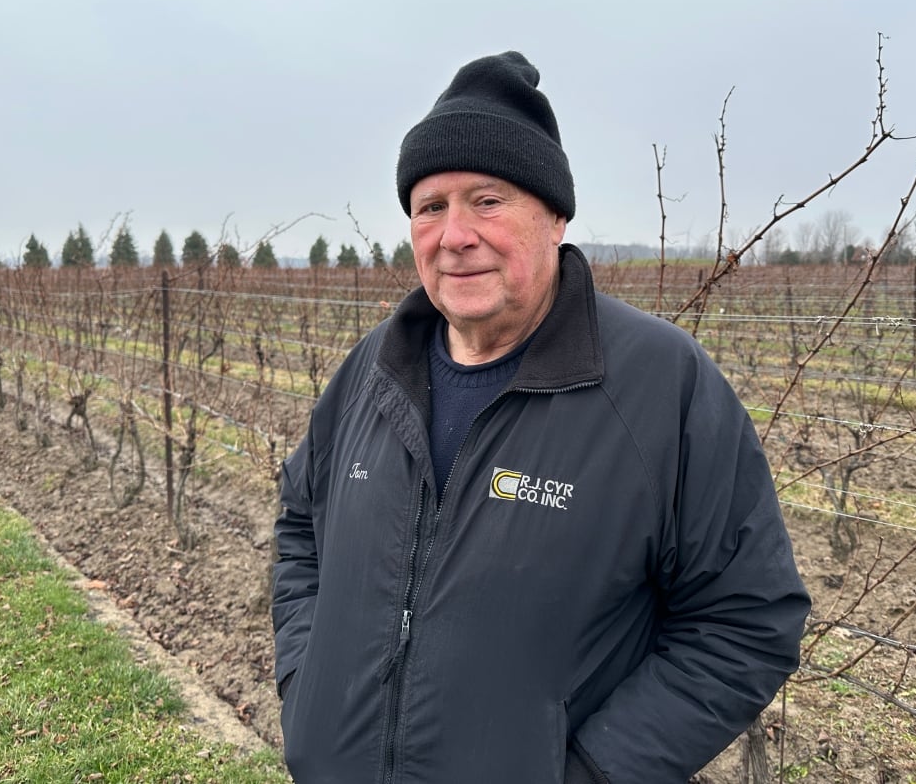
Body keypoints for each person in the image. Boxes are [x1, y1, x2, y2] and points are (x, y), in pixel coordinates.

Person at [271, 50, 810, 783]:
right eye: (431, 207)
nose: (455, 234)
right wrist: (307, 686)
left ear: (554, 216)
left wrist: (593, 770)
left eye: (487, 200)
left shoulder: (660, 386)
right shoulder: (374, 369)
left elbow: (747, 618)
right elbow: (301, 522)